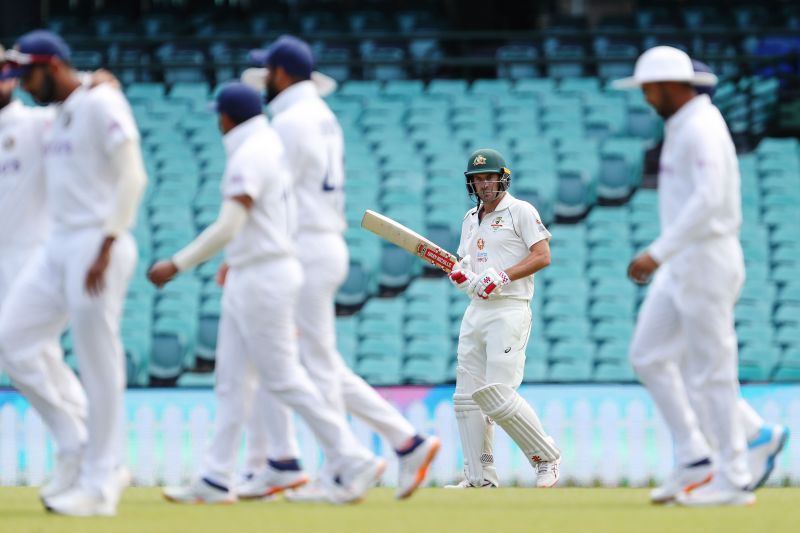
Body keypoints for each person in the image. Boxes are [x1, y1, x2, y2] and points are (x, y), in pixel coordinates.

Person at [148, 82, 384, 505]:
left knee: (282, 377)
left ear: (225, 118)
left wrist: (177, 264)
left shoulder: (251, 152)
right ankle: (217, 476)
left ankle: (351, 456)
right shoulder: (267, 143)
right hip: (255, 270)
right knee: (232, 380)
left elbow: (227, 224)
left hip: (263, 274)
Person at [232, 35, 440, 502]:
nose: (265, 78)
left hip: (301, 247)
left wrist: (247, 250)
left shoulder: (286, 121)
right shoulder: (321, 116)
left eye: (268, 71)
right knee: (312, 361)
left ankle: (340, 470)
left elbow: (271, 194)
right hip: (323, 242)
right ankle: (406, 442)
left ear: (281, 74)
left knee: (299, 363)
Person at [616, 46, 786, 507]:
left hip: (705, 257)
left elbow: (710, 199)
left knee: (712, 369)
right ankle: (701, 455)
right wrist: (668, 253)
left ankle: (734, 478)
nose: (647, 98)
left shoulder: (703, 127)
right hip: (684, 261)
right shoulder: (683, 125)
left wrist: (658, 251)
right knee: (649, 354)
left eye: (650, 89)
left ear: (672, 85)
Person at [0, 30, 146, 516]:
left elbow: (133, 175)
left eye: (29, 75)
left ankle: (102, 481)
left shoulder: (100, 104)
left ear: (53, 67)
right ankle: (77, 446)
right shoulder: (60, 113)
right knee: (12, 341)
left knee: (98, 362)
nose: (22, 84)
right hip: (59, 245)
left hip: (93, 241)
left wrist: (107, 243)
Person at [445, 148, 561, 488]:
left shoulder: (520, 211)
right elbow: (465, 262)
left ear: (502, 178)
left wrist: (503, 276)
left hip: (509, 307)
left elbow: (543, 256)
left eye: (488, 177)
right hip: (476, 311)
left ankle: (546, 458)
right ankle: (480, 477)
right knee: (467, 399)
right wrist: (463, 276)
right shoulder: (469, 218)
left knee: (496, 395)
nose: (483, 184)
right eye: (477, 179)